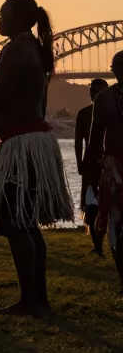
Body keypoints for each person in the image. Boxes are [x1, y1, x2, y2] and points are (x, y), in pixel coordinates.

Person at [0, 0, 72, 318]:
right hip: (30, 142)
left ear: (17, 18)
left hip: (24, 143)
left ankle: (31, 300)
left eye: (2, 13)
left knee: (14, 219)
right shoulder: (29, 46)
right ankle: (38, 299)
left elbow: (0, 98)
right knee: (25, 221)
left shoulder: (18, 48)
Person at [85, 53, 123, 293]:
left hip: (111, 167)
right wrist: (90, 177)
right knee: (116, 224)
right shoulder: (105, 99)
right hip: (112, 169)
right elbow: (94, 139)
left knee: (117, 225)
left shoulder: (106, 99)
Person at [76, 78, 107, 256]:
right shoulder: (83, 114)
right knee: (90, 205)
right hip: (90, 164)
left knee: (107, 203)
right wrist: (79, 162)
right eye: (93, 91)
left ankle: (102, 243)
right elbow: (78, 142)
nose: (94, 94)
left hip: (108, 162)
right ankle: (97, 245)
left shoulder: (113, 112)